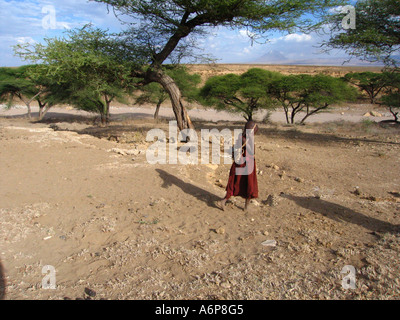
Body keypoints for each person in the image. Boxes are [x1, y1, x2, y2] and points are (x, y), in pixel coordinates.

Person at [217, 121, 259, 211]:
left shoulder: (243, 137)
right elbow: (252, 151)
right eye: (254, 131)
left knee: (243, 183)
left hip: (245, 164)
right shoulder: (245, 139)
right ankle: (225, 201)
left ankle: (227, 201)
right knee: (244, 183)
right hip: (244, 164)